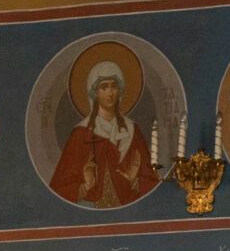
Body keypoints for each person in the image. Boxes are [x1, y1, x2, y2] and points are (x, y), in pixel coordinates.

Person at [49, 59, 155, 208]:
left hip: (129, 209)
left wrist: (135, 181)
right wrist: (85, 186)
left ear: (120, 90)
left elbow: (152, 183)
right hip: (90, 210)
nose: (110, 93)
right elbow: (58, 189)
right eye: (104, 87)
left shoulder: (133, 131)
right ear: (94, 92)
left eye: (114, 86)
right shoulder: (80, 134)